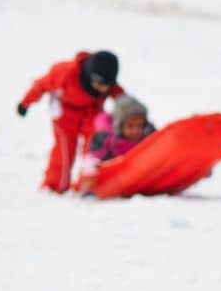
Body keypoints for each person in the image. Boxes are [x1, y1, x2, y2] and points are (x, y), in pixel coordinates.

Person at [18, 51, 125, 194]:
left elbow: (122, 99)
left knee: (95, 146)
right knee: (64, 150)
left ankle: (89, 183)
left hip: (91, 113)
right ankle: (55, 186)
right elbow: (41, 85)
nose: (103, 88)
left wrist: (133, 114)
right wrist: (25, 103)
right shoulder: (66, 72)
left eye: (106, 85)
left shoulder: (108, 82)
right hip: (65, 113)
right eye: (99, 84)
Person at [76, 95, 155, 190]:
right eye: (130, 126)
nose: (136, 131)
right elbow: (90, 160)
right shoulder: (106, 139)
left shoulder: (148, 137)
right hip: (112, 178)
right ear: (119, 126)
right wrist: (91, 177)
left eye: (140, 126)